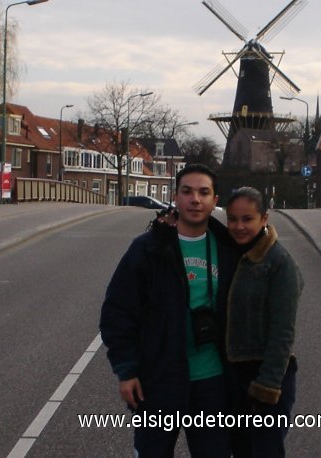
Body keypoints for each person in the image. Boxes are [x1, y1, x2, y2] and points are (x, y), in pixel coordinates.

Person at [99, 164, 235, 457]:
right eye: (186, 191)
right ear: (175, 196)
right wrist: (126, 371)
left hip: (212, 381)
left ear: (215, 200)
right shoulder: (148, 250)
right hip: (158, 379)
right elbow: (117, 313)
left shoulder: (229, 249)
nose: (195, 200)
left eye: (203, 192)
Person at [224, 186, 303, 458]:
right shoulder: (230, 252)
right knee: (241, 449)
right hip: (234, 375)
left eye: (247, 219)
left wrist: (267, 387)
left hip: (267, 377)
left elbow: (283, 333)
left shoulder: (280, 264)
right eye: (232, 219)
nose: (238, 226)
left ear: (264, 218)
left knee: (265, 451)